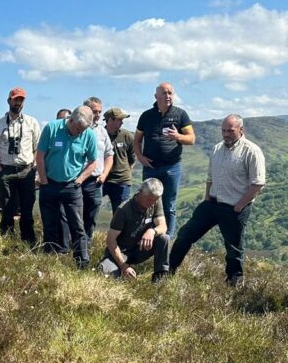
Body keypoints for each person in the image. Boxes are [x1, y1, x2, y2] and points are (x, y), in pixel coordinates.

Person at [169, 115, 266, 286]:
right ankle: (168, 271)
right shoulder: (217, 149)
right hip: (212, 204)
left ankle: (234, 283)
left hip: (234, 208)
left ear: (241, 130)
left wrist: (240, 206)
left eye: (230, 131)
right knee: (185, 235)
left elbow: (257, 184)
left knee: (233, 248)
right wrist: (207, 199)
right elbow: (210, 178)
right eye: (223, 130)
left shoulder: (251, 151)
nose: (226, 134)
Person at [35, 106, 97, 264]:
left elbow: (93, 162)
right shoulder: (52, 128)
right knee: (49, 224)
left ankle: (82, 262)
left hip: (72, 186)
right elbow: (40, 155)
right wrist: (44, 180)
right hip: (49, 183)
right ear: (71, 120)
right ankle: (50, 260)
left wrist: (80, 180)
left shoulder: (88, 134)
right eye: (78, 129)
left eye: (83, 130)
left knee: (77, 226)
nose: (80, 132)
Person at [133, 82, 195, 237]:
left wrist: (177, 136)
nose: (168, 96)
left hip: (172, 168)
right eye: (164, 93)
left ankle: (167, 239)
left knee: (169, 206)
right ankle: (146, 237)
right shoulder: (146, 116)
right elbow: (137, 140)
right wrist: (140, 157)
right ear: (156, 96)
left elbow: (191, 139)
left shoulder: (180, 114)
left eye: (170, 93)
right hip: (150, 167)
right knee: (146, 202)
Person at [0, 87, 41, 244]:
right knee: (6, 208)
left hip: (26, 171)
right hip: (6, 170)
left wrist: (33, 167)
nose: (18, 103)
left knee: (27, 209)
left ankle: (28, 241)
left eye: (21, 100)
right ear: (8, 101)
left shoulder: (32, 122)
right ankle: (7, 240)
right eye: (15, 99)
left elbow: (37, 147)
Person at [102, 178, 170, 281]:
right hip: (121, 252)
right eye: (149, 199)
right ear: (140, 193)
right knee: (107, 274)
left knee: (164, 238)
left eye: (155, 200)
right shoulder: (123, 210)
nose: (152, 203)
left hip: (140, 248)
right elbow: (110, 240)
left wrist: (152, 231)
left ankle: (160, 278)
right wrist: (123, 265)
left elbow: (163, 226)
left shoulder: (155, 201)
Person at [81, 97, 114, 248]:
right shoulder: (76, 128)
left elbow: (109, 155)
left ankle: (85, 249)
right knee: (73, 216)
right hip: (77, 180)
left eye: (100, 112)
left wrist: (104, 174)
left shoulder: (102, 131)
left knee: (91, 217)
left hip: (95, 182)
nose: (98, 115)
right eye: (95, 111)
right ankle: (68, 248)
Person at [103, 106, 135, 212]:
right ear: (110, 120)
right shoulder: (99, 135)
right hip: (102, 180)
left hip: (121, 181)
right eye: (119, 120)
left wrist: (125, 172)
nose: (122, 122)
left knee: (121, 214)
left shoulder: (127, 136)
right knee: (90, 210)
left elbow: (132, 158)